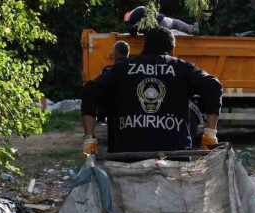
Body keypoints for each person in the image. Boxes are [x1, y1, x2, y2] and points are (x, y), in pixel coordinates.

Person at [81, 26, 222, 155]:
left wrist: (90, 139)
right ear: (172, 49)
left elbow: (90, 90)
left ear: (145, 46)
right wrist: (210, 133)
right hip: (174, 155)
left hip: (129, 155)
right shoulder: (182, 68)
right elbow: (214, 85)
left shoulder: (121, 68)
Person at [99, 41, 130, 152]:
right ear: (128, 53)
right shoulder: (135, 69)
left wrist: (101, 114)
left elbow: (102, 93)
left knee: (113, 141)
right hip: (132, 112)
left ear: (115, 53)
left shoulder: (108, 70)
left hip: (113, 112)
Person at [124, 6, 197, 36]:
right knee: (175, 22)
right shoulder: (138, 10)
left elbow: (132, 31)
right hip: (162, 22)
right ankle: (192, 30)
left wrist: (127, 22)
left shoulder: (131, 18)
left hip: (156, 26)